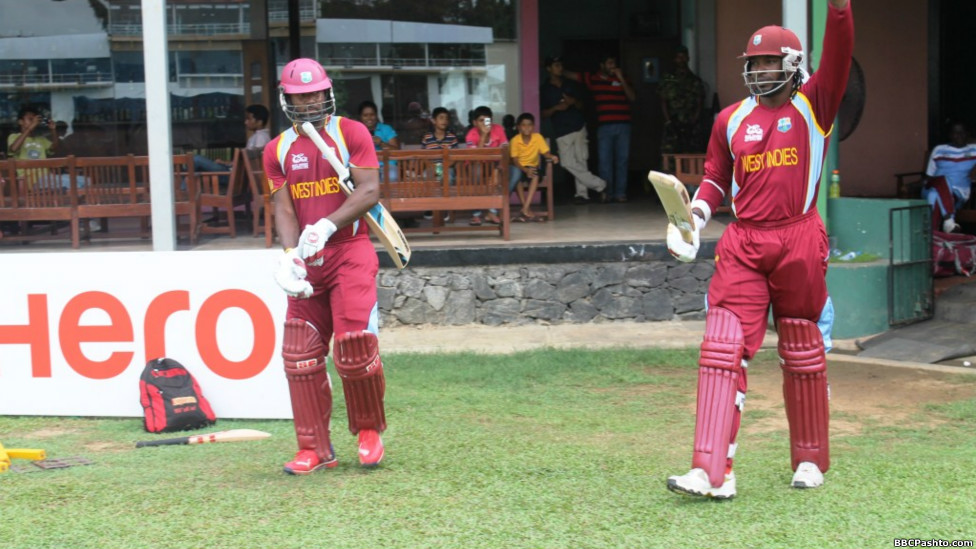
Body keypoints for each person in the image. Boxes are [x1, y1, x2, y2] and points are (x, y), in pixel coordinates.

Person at [665, 0, 853, 499]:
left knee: (802, 348)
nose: (760, 70)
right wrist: (695, 218)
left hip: (798, 237)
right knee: (722, 346)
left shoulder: (816, 106)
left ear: (792, 65)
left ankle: (810, 460)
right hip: (744, 240)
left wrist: (839, 9)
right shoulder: (730, 119)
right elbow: (714, 179)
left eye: (770, 61)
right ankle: (711, 471)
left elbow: (839, 50)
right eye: (754, 63)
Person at [264, 58, 388, 475]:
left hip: (349, 250)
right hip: (309, 260)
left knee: (354, 346)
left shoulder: (351, 132)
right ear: (287, 100)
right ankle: (314, 448)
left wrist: (327, 225)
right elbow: (283, 207)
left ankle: (368, 432)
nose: (310, 101)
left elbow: (368, 190)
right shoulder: (276, 149)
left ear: (327, 92)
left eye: (315, 93)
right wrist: (289, 254)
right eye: (301, 96)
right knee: (299, 353)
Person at [564, 54, 635, 202]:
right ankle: (606, 193)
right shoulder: (593, 79)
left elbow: (632, 97)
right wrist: (555, 69)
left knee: (622, 160)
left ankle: (620, 193)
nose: (612, 66)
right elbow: (574, 76)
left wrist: (621, 79)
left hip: (623, 125)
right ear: (602, 65)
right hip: (605, 127)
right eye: (609, 63)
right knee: (605, 161)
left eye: (614, 63)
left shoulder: (623, 78)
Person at [540, 55, 608, 205]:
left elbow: (582, 105)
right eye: (556, 65)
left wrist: (572, 102)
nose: (560, 68)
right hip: (561, 129)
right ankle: (600, 185)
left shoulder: (570, 84)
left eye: (561, 65)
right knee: (567, 163)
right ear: (549, 69)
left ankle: (582, 195)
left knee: (581, 161)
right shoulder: (545, 89)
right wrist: (556, 108)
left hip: (578, 125)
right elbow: (543, 114)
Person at [922, 121, 976, 233]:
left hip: (958, 192)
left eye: (962, 132)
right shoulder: (939, 150)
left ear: (968, 134)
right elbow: (929, 176)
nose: (959, 135)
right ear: (950, 135)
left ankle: (933, 232)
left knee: (934, 195)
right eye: (955, 132)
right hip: (934, 184)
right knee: (941, 180)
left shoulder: (973, 149)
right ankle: (949, 221)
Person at [509, 113, 558, 222]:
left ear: (533, 126)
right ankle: (526, 209)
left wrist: (552, 156)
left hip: (533, 167)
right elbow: (515, 161)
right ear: (518, 127)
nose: (527, 127)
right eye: (524, 125)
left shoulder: (538, 137)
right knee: (517, 179)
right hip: (520, 168)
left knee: (535, 175)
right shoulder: (515, 140)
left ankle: (525, 208)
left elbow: (545, 153)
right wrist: (525, 170)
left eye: (529, 125)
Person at [465, 105, 508, 226]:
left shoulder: (498, 129)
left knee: (508, 173)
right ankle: (476, 214)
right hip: (475, 164)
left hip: (494, 164)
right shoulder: (471, 135)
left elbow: (505, 151)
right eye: (481, 120)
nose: (485, 123)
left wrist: (497, 168)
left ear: (492, 120)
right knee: (477, 173)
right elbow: (476, 158)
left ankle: (492, 212)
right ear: (474, 123)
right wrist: (483, 135)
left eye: (487, 120)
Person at [659, 45, 706, 156]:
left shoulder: (695, 80)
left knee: (692, 155)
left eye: (683, 57)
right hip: (673, 123)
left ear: (688, 58)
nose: (681, 60)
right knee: (670, 155)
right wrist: (668, 121)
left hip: (691, 124)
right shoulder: (667, 79)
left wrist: (694, 119)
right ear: (675, 59)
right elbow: (663, 100)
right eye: (679, 57)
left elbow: (700, 102)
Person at [358, 99, 401, 181]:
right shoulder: (357, 131)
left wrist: (381, 143)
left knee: (392, 177)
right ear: (361, 117)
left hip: (387, 165)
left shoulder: (386, 128)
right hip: (366, 167)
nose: (369, 118)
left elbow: (397, 151)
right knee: (364, 181)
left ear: (376, 115)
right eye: (365, 115)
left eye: (372, 115)